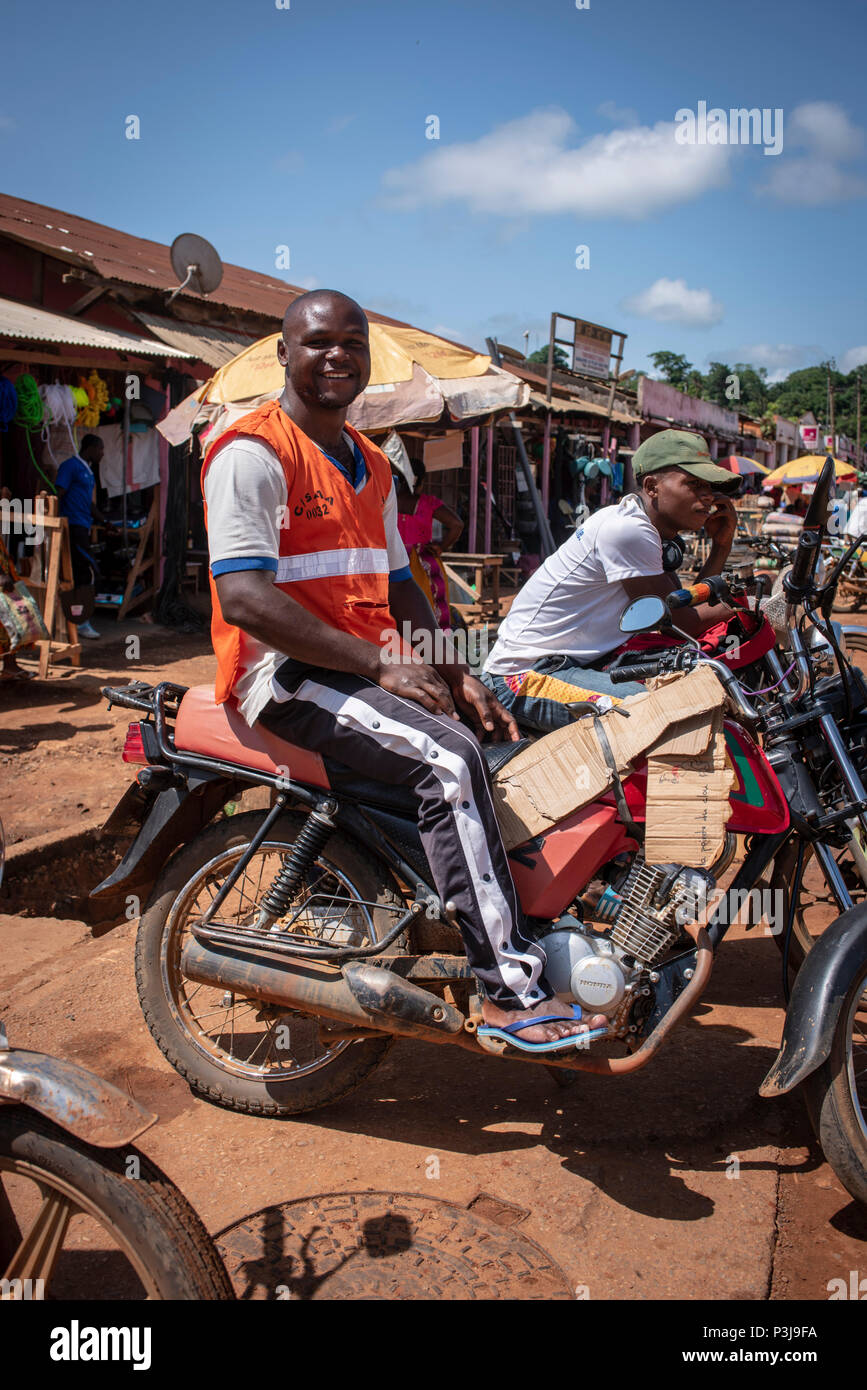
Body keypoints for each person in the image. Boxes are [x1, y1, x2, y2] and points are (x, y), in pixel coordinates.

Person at [202, 289, 605, 1048]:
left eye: (351, 343)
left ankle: (467, 910)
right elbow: (246, 598)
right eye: (317, 342)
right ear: (284, 354)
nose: (336, 356)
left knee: (489, 732)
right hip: (283, 674)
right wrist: (381, 663)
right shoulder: (251, 452)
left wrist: (452, 668)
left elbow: (399, 588)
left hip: (359, 666)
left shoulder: (374, 465)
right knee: (449, 761)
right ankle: (509, 993)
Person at [482, 429, 741, 733]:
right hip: (523, 676)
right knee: (673, 709)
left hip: (570, 665)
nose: (708, 496)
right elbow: (683, 621)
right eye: (693, 484)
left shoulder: (646, 529)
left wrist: (722, 544)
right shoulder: (628, 531)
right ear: (652, 487)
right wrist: (749, 604)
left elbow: (687, 604)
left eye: (710, 486)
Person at [392, 463, 463, 630]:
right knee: (428, 605)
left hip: (392, 558)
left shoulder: (388, 500)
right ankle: (431, 646)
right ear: (422, 481)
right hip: (422, 562)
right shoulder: (427, 503)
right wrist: (442, 547)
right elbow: (457, 524)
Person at [54, 434, 107, 640]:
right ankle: (80, 621)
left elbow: (88, 502)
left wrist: (105, 522)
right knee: (86, 572)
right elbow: (59, 492)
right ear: (92, 448)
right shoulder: (71, 466)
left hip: (83, 525)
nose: (102, 453)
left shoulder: (88, 471)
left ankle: (78, 619)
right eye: (101, 449)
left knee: (80, 572)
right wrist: (55, 522)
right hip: (72, 526)